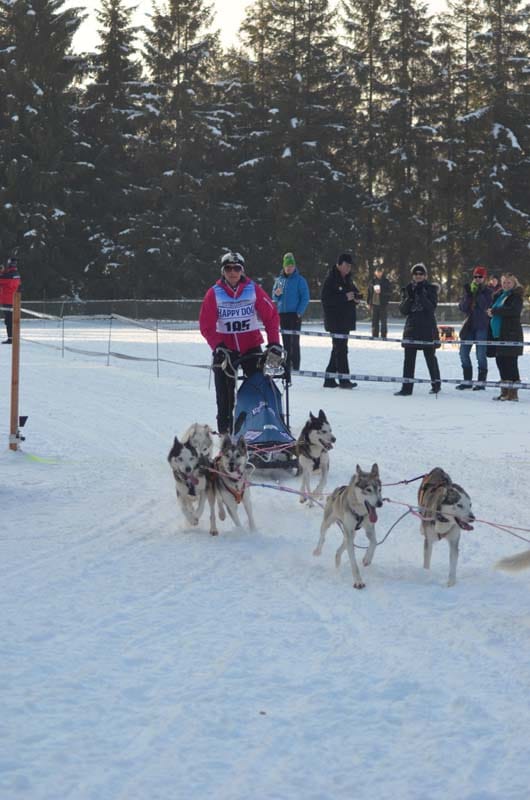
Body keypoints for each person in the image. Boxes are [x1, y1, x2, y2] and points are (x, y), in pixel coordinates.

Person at [199, 251, 281, 434]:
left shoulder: (253, 289)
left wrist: (274, 343)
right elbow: (206, 325)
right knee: (224, 395)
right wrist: (217, 346)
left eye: (236, 268)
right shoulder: (214, 293)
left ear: (242, 270)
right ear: (223, 271)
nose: (232, 272)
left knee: (260, 387)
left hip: (251, 347)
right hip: (226, 350)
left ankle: (263, 427)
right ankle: (225, 434)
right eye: (228, 268)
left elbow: (271, 316)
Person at [394, 263, 441, 396]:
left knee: (430, 358)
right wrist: (410, 298)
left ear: (425, 275)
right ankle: (406, 388)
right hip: (412, 327)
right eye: (416, 274)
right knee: (408, 359)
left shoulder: (431, 289)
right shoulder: (408, 288)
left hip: (427, 327)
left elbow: (431, 307)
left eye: (421, 274)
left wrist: (421, 295)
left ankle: (436, 385)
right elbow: (403, 310)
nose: (418, 276)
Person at [320, 252, 362, 389]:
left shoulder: (348, 279)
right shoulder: (331, 279)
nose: (348, 268)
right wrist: (345, 297)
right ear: (339, 264)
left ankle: (329, 379)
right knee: (341, 350)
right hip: (335, 321)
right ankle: (344, 380)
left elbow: (355, 293)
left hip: (345, 320)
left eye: (350, 266)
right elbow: (326, 300)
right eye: (346, 265)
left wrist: (357, 297)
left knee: (338, 350)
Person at [486, 272, 524, 402]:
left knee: (510, 363)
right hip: (497, 335)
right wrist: (490, 312)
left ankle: (513, 393)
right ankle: (504, 391)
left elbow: (513, 311)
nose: (506, 285)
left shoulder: (516, 296)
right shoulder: (499, 295)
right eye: (504, 282)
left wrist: (495, 311)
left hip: (510, 334)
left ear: (514, 283)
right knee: (500, 362)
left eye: (509, 282)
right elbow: (494, 309)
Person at [272, 252, 310, 376]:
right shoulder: (279, 280)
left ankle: (295, 365)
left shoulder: (300, 280)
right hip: (282, 314)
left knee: (294, 341)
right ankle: (287, 364)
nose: (289, 268)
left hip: (294, 315)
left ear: (294, 267)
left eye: (291, 266)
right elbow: (274, 296)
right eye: (287, 266)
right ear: (283, 267)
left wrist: (299, 312)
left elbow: (305, 297)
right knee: (286, 341)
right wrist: (276, 294)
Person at [456, 265, 493, 390]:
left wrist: (479, 293)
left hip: (482, 326)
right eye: (475, 276)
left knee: (480, 355)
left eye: (480, 276)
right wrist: (468, 295)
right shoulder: (469, 290)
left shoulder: (488, 291)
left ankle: (481, 382)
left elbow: (485, 306)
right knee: (463, 353)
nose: (477, 279)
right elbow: (462, 307)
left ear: (484, 278)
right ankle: (467, 381)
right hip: (469, 326)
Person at [366, 265, 392, 339]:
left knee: (383, 321)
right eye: (377, 272)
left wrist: (381, 291)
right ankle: (374, 335)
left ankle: (383, 335)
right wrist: (368, 303)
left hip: (383, 304)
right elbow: (369, 293)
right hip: (374, 304)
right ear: (375, 272)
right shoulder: (372, 281)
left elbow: (390, 292)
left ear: (382, 272)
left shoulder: (386, 281)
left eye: (380, 272)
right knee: (374, 321)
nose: (379, 273)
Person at [0, 257, 21, 344]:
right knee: (12, 320)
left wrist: (1, 271)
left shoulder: (7, 275)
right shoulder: (16, 274)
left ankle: (11, 339)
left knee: (8, 321)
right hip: (14, 300)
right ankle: (13, 338)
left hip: (7, 300)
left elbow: (2, 279)